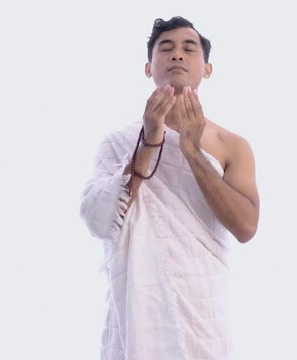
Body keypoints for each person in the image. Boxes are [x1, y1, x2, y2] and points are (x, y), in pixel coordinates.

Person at [80, 16, 260, 360]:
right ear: (149, 68)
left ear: (206, 69)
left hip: (202, 312)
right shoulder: (118, 143)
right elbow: (97, 220)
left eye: (189, 48)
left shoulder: (231, 145)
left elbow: (246, 227)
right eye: (166, 48)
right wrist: (148, 143)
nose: (177, 55)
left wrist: (192, 151)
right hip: (135, 313)